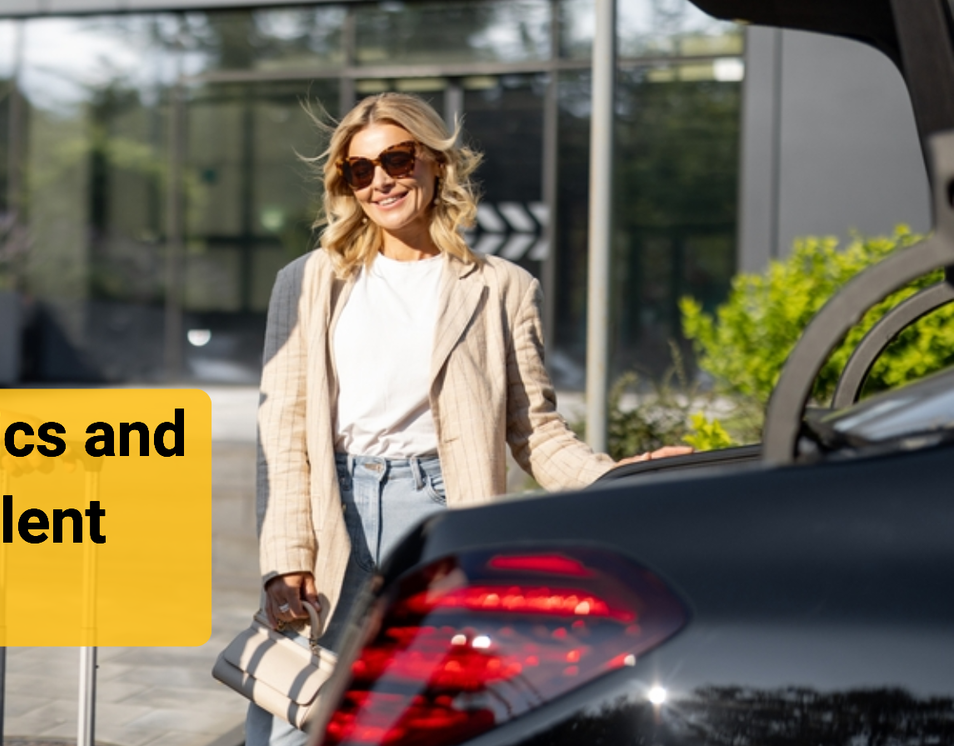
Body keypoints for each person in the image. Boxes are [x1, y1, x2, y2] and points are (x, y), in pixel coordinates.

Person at [247, 93, 686, 745]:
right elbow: (281, 433)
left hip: (440, 513)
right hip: (329, 512)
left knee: (421, 715)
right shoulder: (306, 282)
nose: (381, 181)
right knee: (295, 717)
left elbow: (534, 432)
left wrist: (617, 478)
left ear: (434, 164)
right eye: (360, 170)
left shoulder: (503, 287)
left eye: (396, 159)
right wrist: (285, 558)